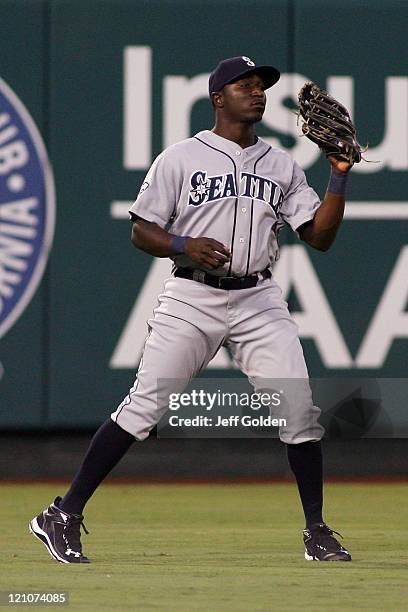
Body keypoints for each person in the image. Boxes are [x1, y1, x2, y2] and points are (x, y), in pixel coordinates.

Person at [29, 56, 352, 563]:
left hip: (258, 299)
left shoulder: (282, 164)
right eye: (244, 85)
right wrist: (181, 243)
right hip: (192, 297)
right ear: (218, 98)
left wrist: (338, 177)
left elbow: (320, 237)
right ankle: (63, 513)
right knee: (144, 408)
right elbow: (141, 229)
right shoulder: (180, 157)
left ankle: (317, 530)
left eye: (262, 86)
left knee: (299, 412)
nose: (258, 92)